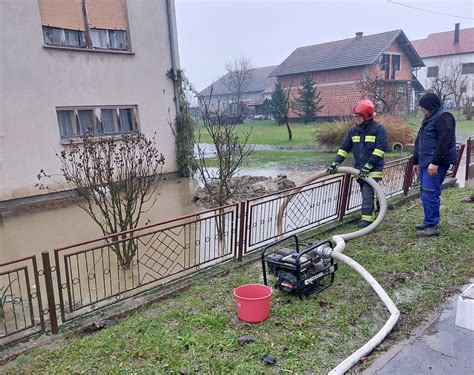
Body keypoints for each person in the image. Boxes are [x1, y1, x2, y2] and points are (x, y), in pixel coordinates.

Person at [327, 99, 388, 228]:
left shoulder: (379, 130)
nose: (356, 118)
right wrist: (335, 162)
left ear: (367, 116)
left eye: (359, 116)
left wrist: (369, 165)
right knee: (366, 192)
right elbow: (344, 149)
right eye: (356, 115)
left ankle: (367, 221)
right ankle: (375, 209)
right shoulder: (353, 131)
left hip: (374, 168)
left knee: (367, 191)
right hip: (360, 169)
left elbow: (379, 150)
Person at [413, 93, 456, 237]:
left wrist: (435, 162)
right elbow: (420, 139)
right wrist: (416, 161)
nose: (421, 110)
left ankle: (432, 226)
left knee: (430, 192)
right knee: (425, 192)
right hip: (426, 161)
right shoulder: (429, 118)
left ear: (430, 106)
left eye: (423, 107)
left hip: (436, 163)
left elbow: (444, 142)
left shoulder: (444, 117)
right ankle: (428, 221)